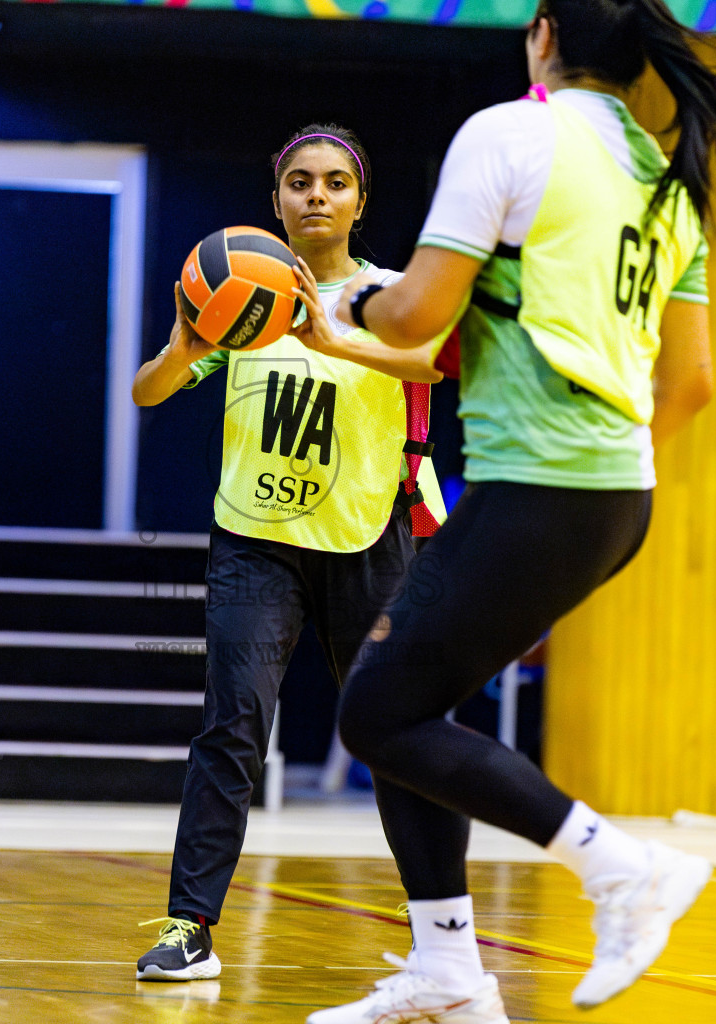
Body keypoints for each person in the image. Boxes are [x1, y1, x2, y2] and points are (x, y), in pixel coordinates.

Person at [310, 0, 716, 1019]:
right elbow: (693, 385)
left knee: (378, 710)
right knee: (407, 706)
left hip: (542, 488)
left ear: (543, 31)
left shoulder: (511, 133)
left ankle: (622, 867)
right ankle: (450, 977)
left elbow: (414, 308)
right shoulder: (664, 179)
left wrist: (343, 302)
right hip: (612, 495)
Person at [131, 123, 452, 982]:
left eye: (335, 182)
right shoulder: (242, 295)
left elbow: (434, 366)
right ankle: (189, 927)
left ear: (359, 200)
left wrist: (336, 340)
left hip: (369, 537)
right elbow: (147, 390)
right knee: (231, 727)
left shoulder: (389, 294)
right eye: (300, 182)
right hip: (255, 542)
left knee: (397, 737)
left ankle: (440, 939)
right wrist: (184, 346)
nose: (317, 195)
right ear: (275, 200)